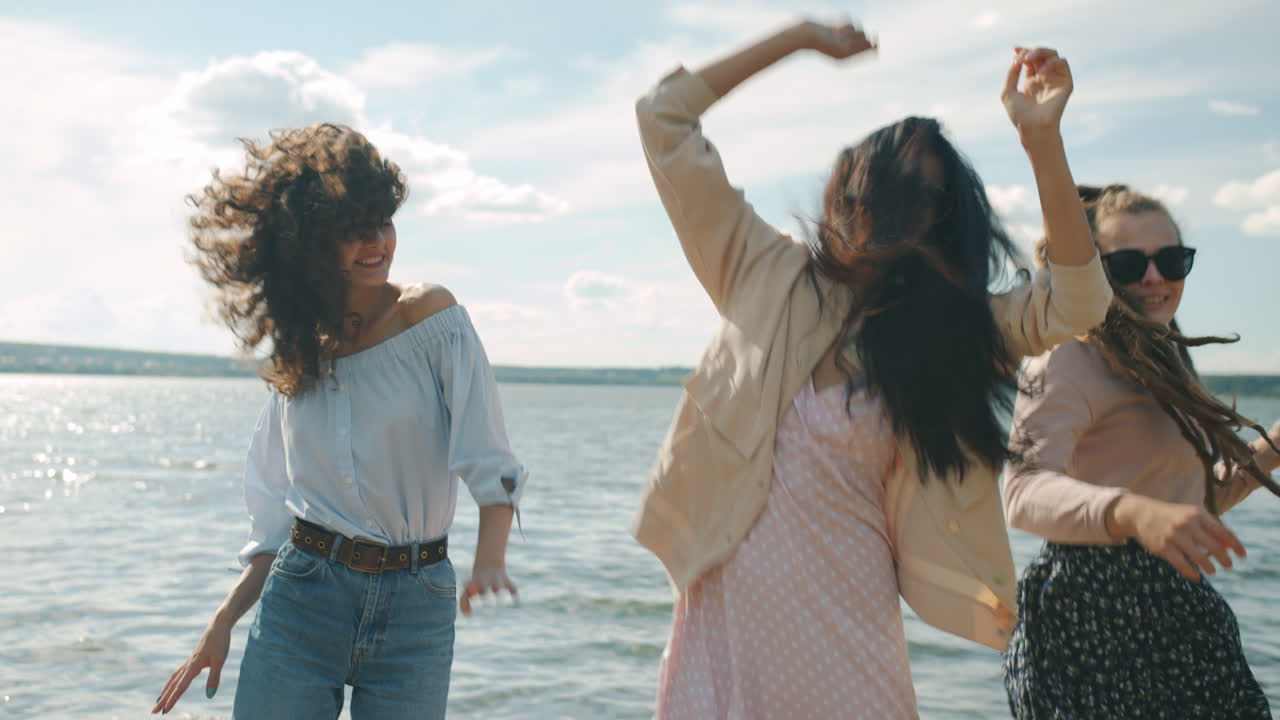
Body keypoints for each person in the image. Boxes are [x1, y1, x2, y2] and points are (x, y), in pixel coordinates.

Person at [631, 18, 1112, 719]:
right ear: (846, 187)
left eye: (927, 197)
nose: (902, 209)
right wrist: (798, 37)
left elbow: (1081, 302)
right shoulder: (762, 270)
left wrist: (1042, 141)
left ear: (942, 218)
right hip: (725, 619)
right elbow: (662, 118)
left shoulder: (956, 327)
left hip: (844, 627)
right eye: (887, 185)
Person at [151, 123, 526, 719]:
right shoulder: (300, 351)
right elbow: (276, 514)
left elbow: (488, 454)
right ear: (309, 243)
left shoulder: (431, 318)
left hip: (417, 603)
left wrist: (490, 558)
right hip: (301, 598)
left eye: (383, 223)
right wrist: (222, 621)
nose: (376, 243)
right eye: (353, 233)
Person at [1002, 183, 1280, 718]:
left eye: (1172, 260)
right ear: (1096, 270)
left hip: (1181, 614)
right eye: (1129, 264)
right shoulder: (1066, 356)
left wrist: (1270, 449)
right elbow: (1022, 492)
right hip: (1089, 623)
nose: (1155, 277)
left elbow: (1185, 505)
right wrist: (1132, 513)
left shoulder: (1166, 355)